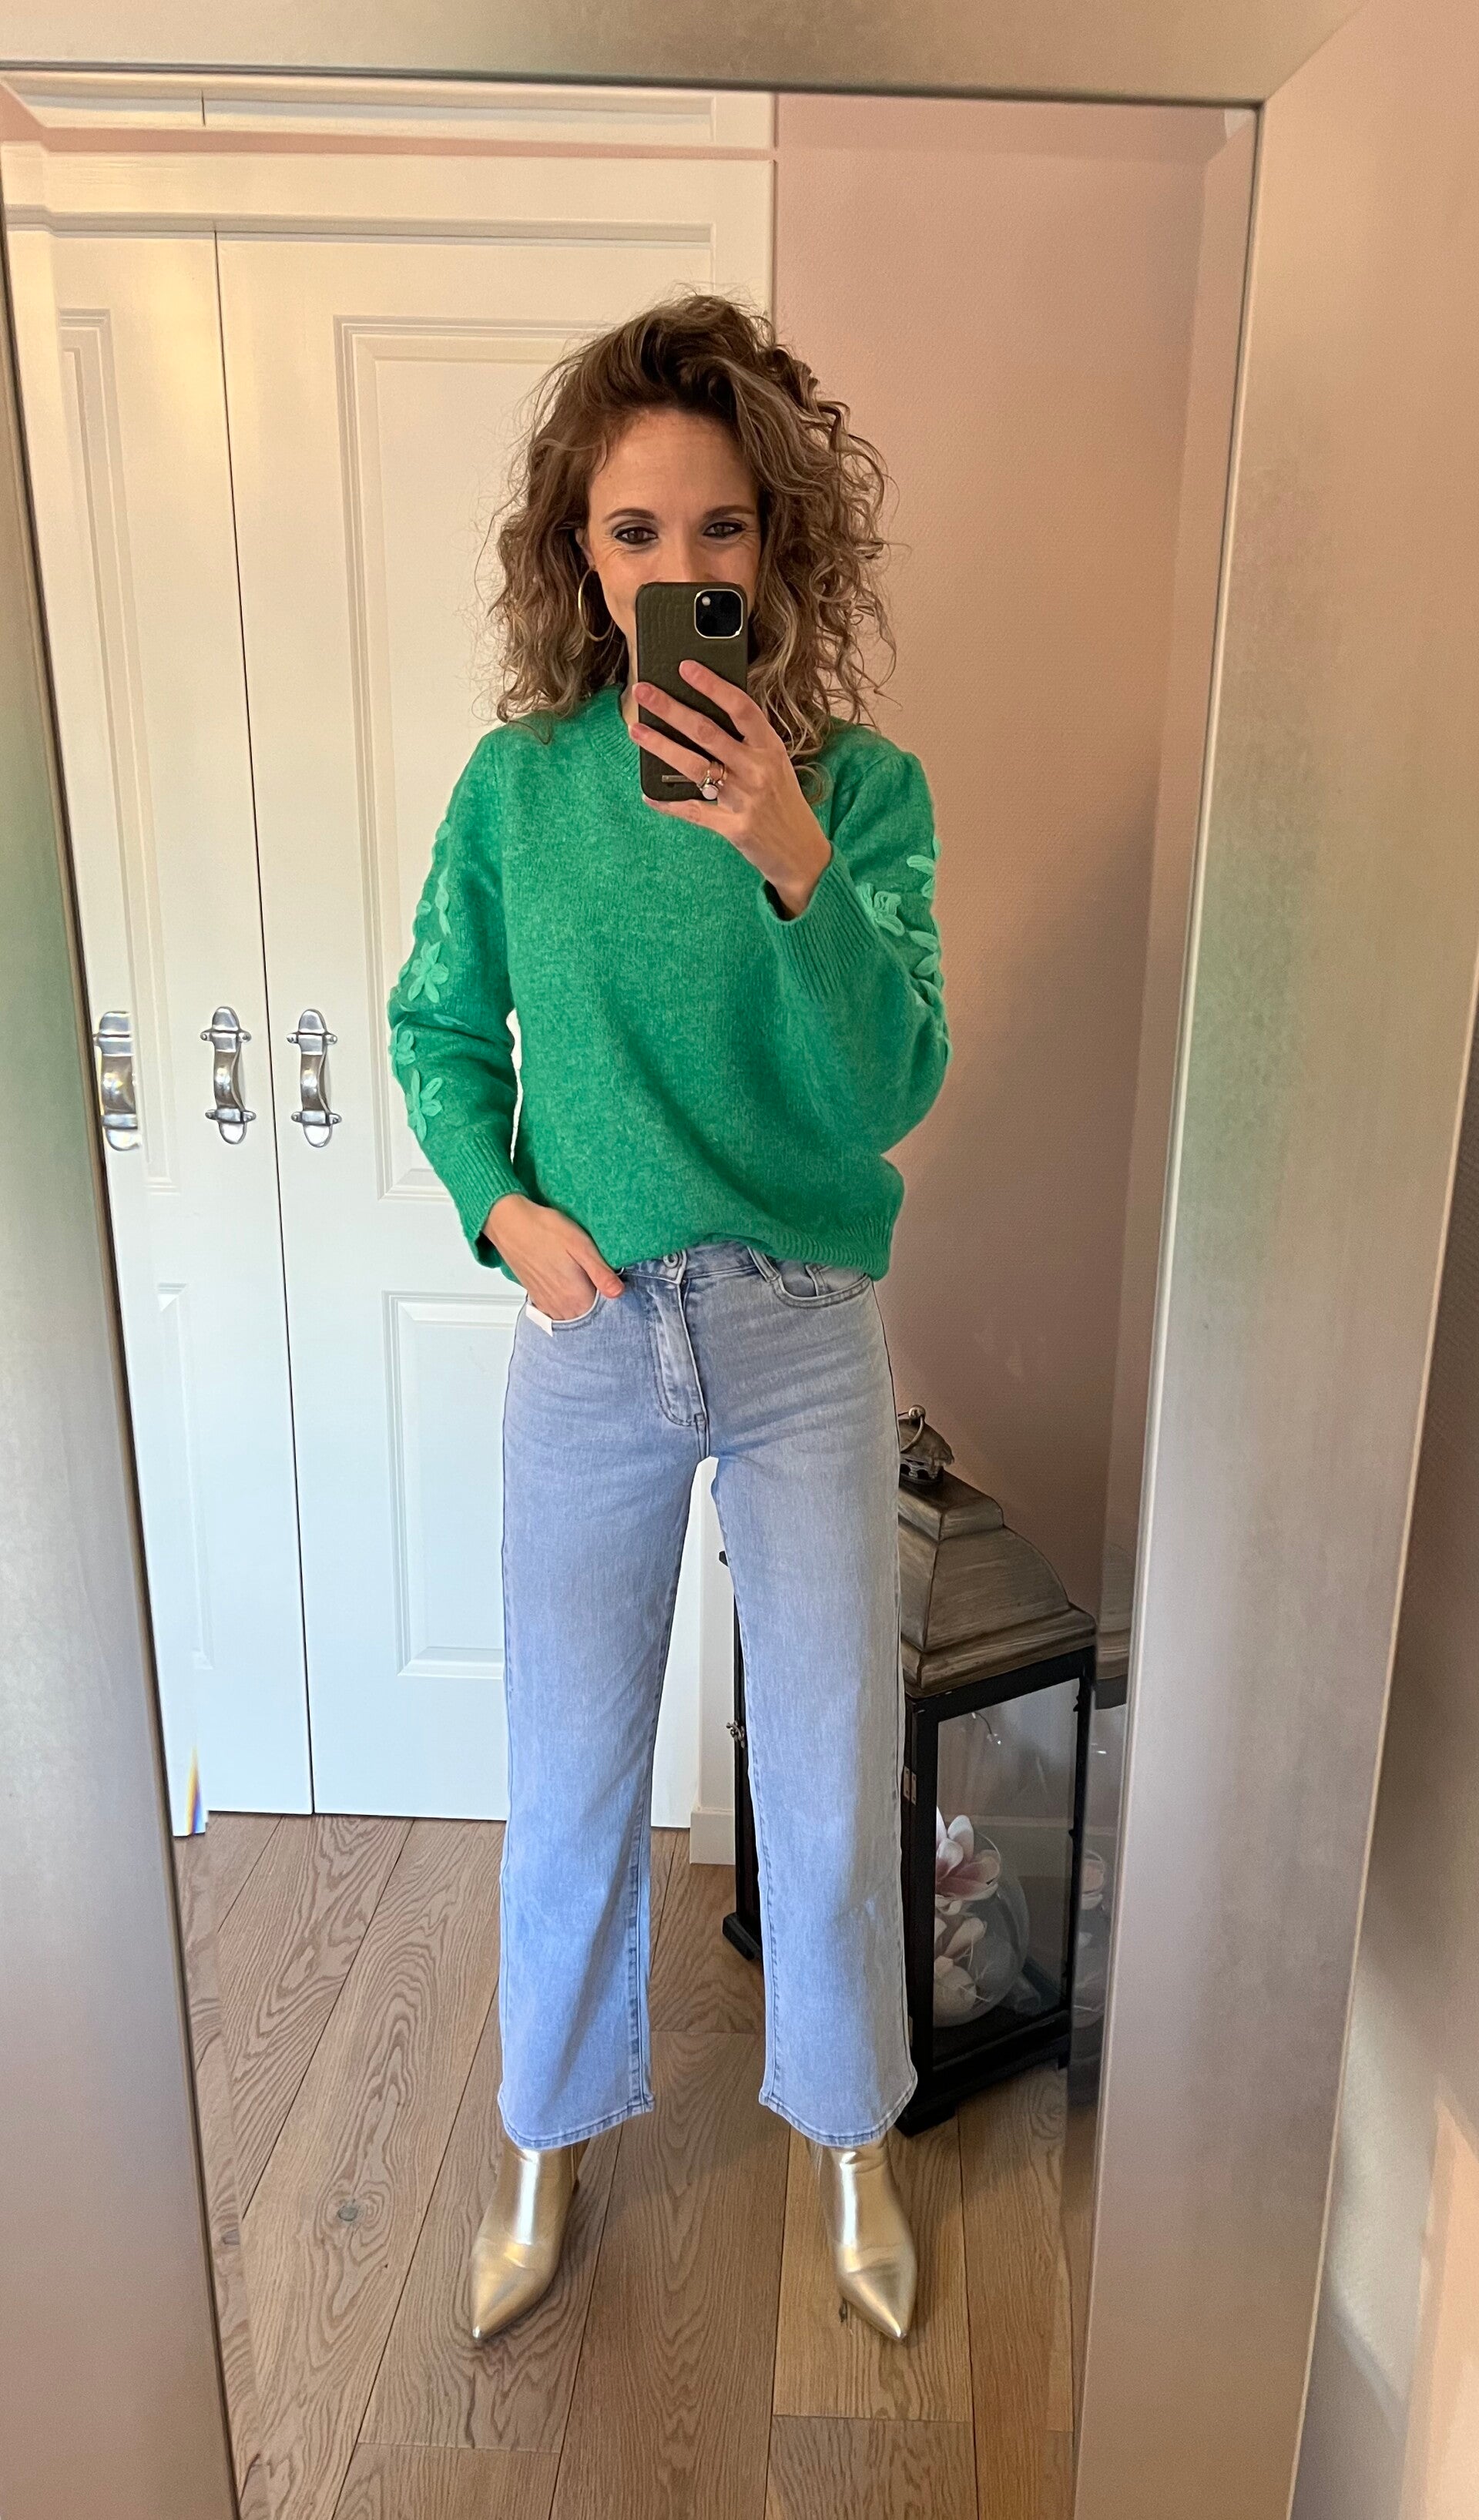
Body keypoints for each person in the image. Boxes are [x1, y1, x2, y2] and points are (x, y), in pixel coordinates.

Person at [387, 292, 951, 2347]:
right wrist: (502, 1209)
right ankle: (544, 2145)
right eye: (637, 533)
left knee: (829, 1768)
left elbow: (889, 1087)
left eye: (722, 529)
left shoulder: (860, 793)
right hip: (592, 1336)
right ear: (581, 550)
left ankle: (854, 2137)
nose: (680, 568)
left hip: (802, 1334)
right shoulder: (514, 792)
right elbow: (440, 1031)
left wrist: (791, 856)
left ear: (776, 544)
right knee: (569, 1773)